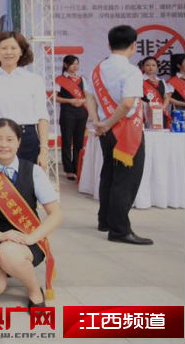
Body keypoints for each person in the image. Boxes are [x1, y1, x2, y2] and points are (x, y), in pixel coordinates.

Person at [0, 118, 61, 310]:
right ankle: (8, 266)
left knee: (7, 252)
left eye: (9, 139)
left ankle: (34, 290)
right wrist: (0, 236)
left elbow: (56, 214)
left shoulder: (33, 171)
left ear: (18, 142)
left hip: (27, 236)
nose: (3, 145)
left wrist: (32, 238)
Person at [84, 25, 152, 245]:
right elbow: (127, 104)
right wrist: (107, 123)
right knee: (126, 180)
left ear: (109, 44)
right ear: (133, 45)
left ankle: (105, 220)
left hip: (106, 131)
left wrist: (98, 121)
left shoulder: (98, 69)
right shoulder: (132, 71)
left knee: (110, 174)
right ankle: (120, 230)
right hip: (126, 132)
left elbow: (89, 97)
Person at [0, 31, 50, 168]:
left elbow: (42, 116)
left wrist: (44, 150)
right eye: (4, 48)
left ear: (21, 51)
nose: (8, 52)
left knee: (27, 180)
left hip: (27, 139)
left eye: (13, 48)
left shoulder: (34, 80)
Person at [54, 55, 89, 181]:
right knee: (67, 141)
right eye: (73, 64)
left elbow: (87, 96)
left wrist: (82, 101)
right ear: (65, 65)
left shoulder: (82, 79)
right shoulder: (60, 80)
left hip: (81, 113)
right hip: (67, 112)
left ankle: (77, 167)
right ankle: (69, 169)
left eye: (77, 64)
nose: (75, 66)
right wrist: (70, 101)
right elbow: (55, 97)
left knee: (79, 142)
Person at [140, 56, 173, 127]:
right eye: (147, 65)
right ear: (143, 67)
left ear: (157, 67)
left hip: (159, 112)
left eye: (153, 65)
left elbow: (166, 98)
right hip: (144, 112)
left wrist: (163, 107)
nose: (150, 67)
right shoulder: (139, 80)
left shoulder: (161, 81)